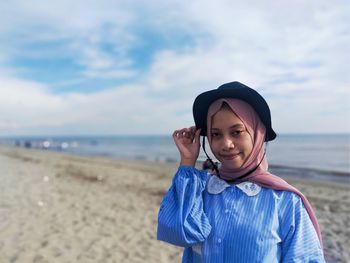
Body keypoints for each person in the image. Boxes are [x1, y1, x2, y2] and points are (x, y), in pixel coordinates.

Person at [157, 81, 325, 262]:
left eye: (236, 132)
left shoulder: (285, 201)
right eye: (216, 134)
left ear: (257, 134)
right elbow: (177, 232)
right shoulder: (200, 190)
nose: (226, 144)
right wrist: (187, 162)